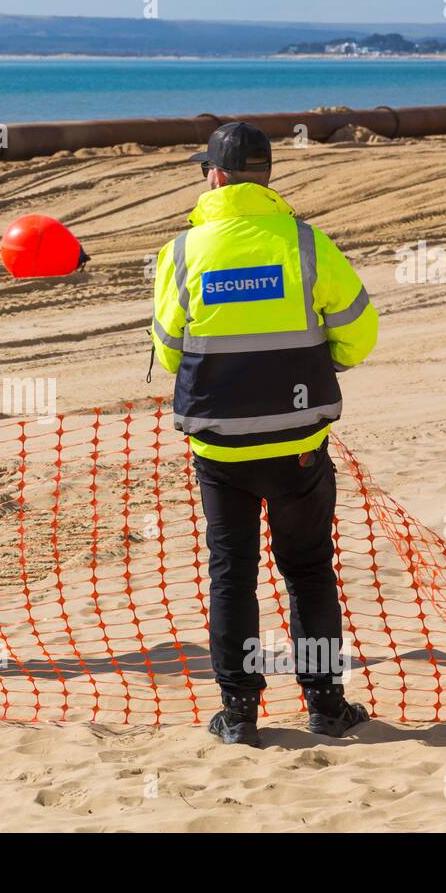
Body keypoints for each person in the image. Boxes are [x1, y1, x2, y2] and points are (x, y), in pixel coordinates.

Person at [150, 122, 379, 747]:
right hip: (298, 445)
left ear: (216, 176)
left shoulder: (184, 252)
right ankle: (326, 706)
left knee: (233, 573)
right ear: (266, 176)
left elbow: (171, 351)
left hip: (220, 449)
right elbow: (360, 331)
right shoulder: (306, 243)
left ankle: (241, 713)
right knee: (307, 570)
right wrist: (319, 358)